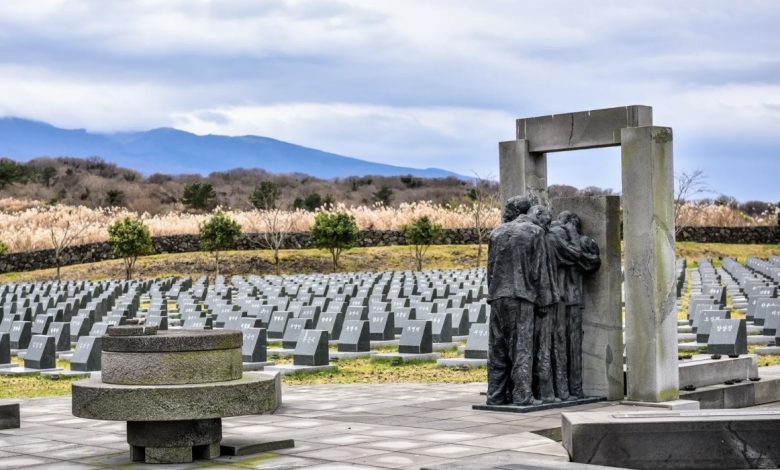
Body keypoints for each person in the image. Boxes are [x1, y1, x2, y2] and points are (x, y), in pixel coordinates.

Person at [486, 196, 540, 406]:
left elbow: (490, 269)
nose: (504, 212)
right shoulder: (534, 232)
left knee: (497, 348)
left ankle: (496, 395)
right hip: (521, 295)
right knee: (521, 347)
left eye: (507, 208)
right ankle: (522, 395)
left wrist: (492, 293)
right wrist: (541, 299)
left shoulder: (496, 233)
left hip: (497, 296)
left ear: (516, 210)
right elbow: (537, 270)